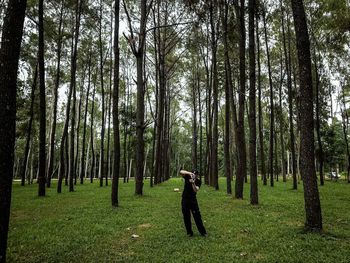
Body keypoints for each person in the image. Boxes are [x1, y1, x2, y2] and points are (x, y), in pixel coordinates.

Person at [179, 169, 207, 237]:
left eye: (195, 174)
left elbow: (196, 190)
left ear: (197, 175)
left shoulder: (198, 181)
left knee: (197, 216)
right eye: (193, 174)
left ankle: (203, 232)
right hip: (185, 199)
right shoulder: (187, 176)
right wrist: (189, 173)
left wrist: (193, 183)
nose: (194, 175)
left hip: (193, 200)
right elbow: (181, 171)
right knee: (186, 216)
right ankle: (189, 232)